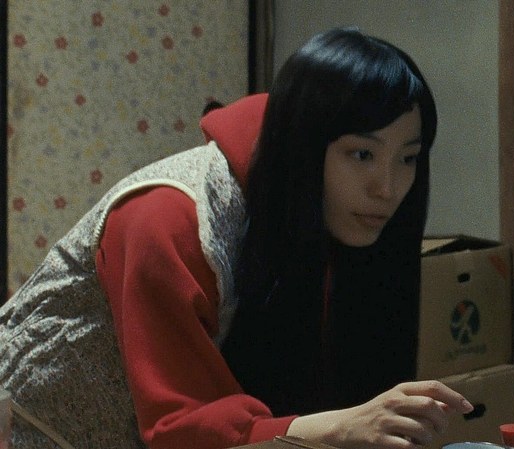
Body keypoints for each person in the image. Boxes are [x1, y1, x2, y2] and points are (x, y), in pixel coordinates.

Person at [0, 27, 473, 449]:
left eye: (407, 158)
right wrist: (339, 426)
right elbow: (181, 427)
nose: (387, 188)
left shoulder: (325, 213)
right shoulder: (168, 218)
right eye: (363, 154)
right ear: (305, 141)